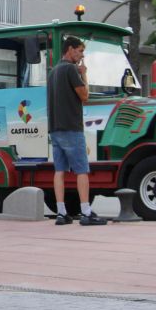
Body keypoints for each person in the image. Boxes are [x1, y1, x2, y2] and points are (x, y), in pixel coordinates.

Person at [48, 36, 105, 226]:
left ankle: (61, 213)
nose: (82, 55)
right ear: (70, 49)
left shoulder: (53, 71)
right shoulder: (71, 69)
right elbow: (85, 96)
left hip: (55, 128)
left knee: (59, 171)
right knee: (81, 170)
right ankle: (86, 211)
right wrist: (84, 74)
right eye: (80, 51)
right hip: (72, 127)